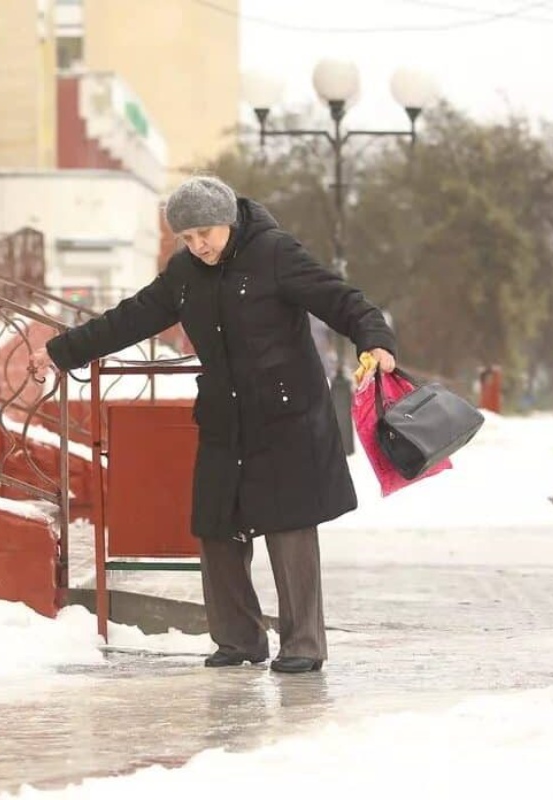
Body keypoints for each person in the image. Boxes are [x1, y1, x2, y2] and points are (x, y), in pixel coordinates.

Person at [29, 176, 397, 674]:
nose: (198, 244)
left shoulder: (274, 253)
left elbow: (343, 301)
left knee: (289, 528)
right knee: (217, 527)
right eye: (187, 237)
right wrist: (60, 352)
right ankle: (239, 640)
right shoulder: (184, 273)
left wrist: (376, 341)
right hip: (226, 417)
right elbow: (130, 318)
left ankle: (303, 645)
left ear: (228, 220)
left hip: (285, 415)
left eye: (205, 232)